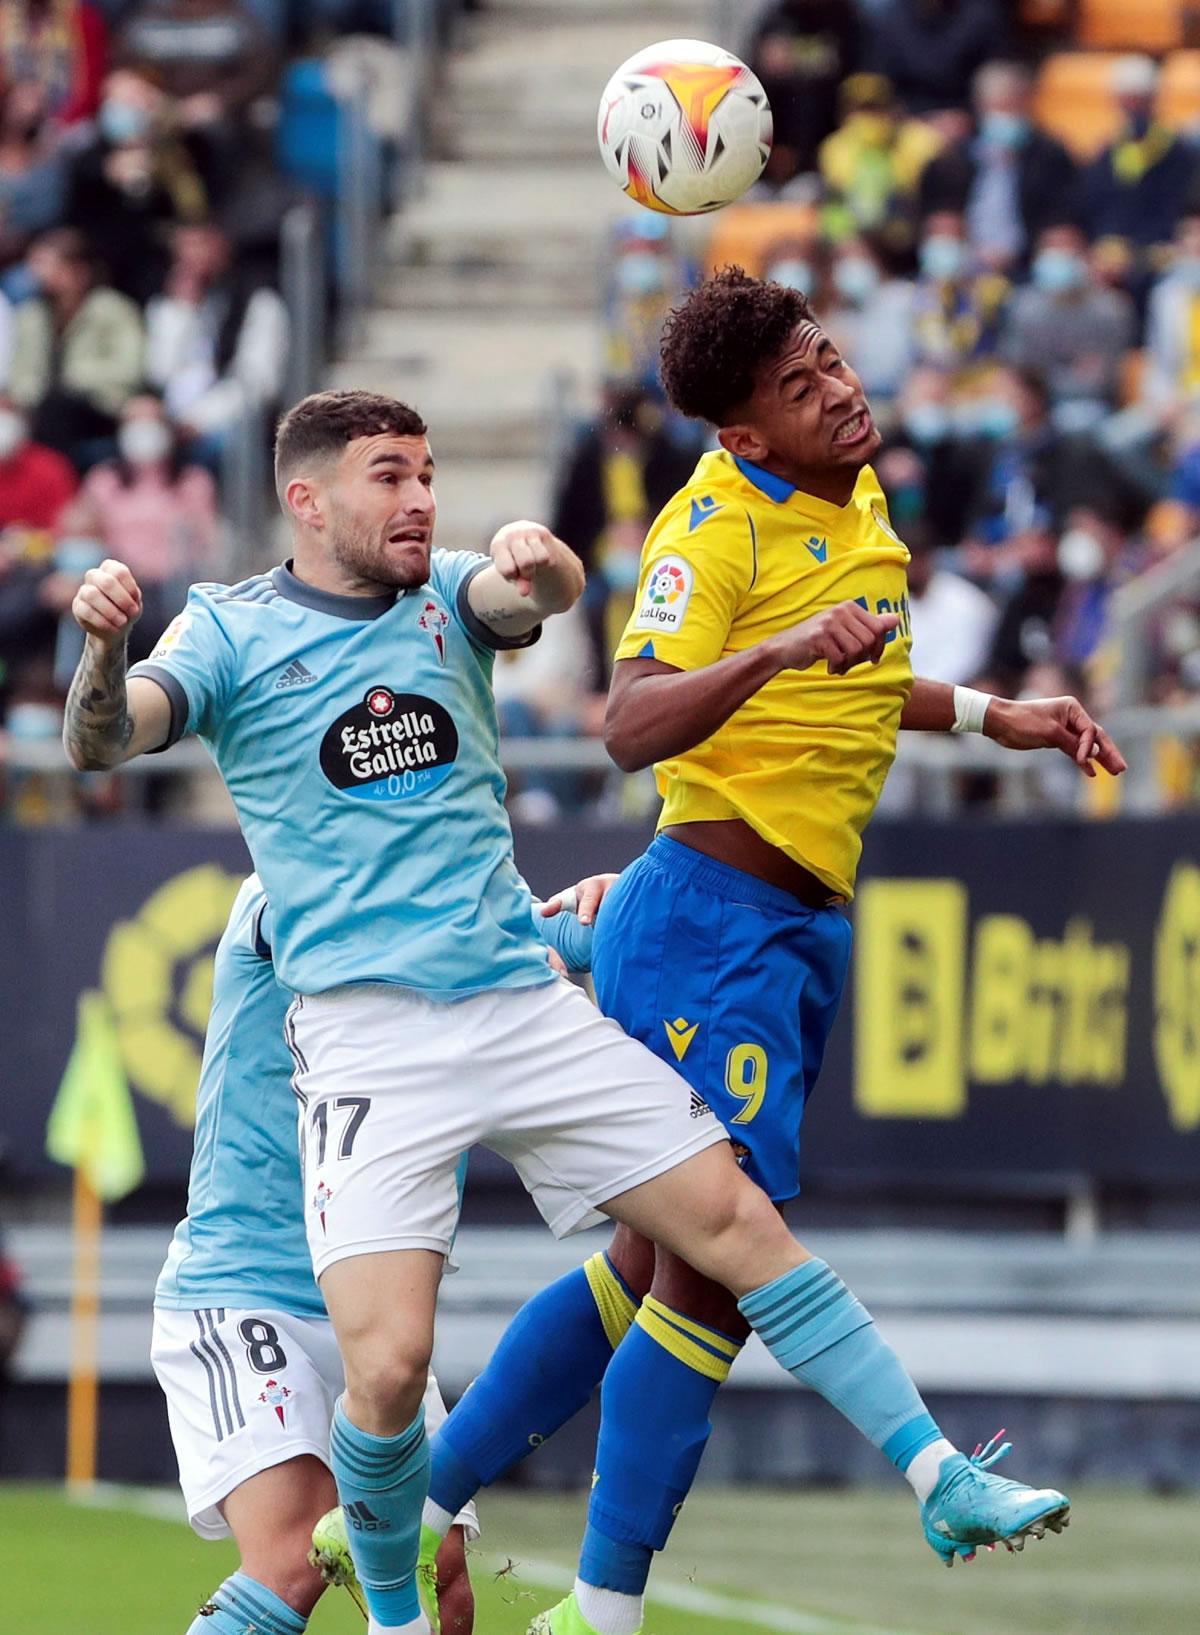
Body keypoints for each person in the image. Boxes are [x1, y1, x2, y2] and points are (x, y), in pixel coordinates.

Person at [63, 388, 1076, 1635]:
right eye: (391, 475)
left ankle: (939, 1476)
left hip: (516, 1006)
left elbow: (513, 601)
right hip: (371, 1042)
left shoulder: (444, 591)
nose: (421, 496)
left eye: (430, 471)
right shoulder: (225, 631)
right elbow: (109, 742)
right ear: (307, 498)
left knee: (734, 1227)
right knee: (383, 1375)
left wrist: (540, 579)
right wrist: (105, 653)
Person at [420, 274, 1122, 1635]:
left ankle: (410, 1496)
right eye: (799, 387)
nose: (839, 389)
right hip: (710, 925)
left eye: (831, 360)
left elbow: (853, 676)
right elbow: (630, 722)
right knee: (712, 1273)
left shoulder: (854, 496)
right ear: (744, 434)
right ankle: (601, 1607)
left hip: (791, 933)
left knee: (646, 1266)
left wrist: (998, 715)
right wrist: (787, 641)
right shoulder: (713, 526)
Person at [152, 873, 479, 1635]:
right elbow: (334, 922)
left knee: (446, 1577)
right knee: (296, 1560)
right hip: (245, 1290)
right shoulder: (282, 890)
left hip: (374, 1300)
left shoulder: (460, 898)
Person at [918, 61, 1079, 275]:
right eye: (998, 107)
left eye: (1011, 107)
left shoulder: (1050, 157)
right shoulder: (954, 159)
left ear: (1026, 105)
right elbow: (937, 214)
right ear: (981, 108)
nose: (1005, 117)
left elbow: (1062, 218)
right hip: (966, 265)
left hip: (1028, 268)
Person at [7, 227, 143, 468]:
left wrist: (73, 378)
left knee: (60, 403)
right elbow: (21, 374)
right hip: (42, 409)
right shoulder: (30, 315)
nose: (37, 272)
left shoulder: (113, 310)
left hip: (102, 407)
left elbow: (129, 370)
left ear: (78, 270)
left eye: (46, 264)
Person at [1001, 222, 1135, 431]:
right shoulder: (1023, 307)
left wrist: (1043, 379)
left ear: (1084, 257)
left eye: (1065, 250)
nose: (1057, 257)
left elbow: (1100, 381)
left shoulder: (1110, 309)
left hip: (1089, 405)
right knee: (998, 419)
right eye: (1050, 249)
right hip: (1032, 403)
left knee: (1076, 421)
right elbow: (1017, 369)